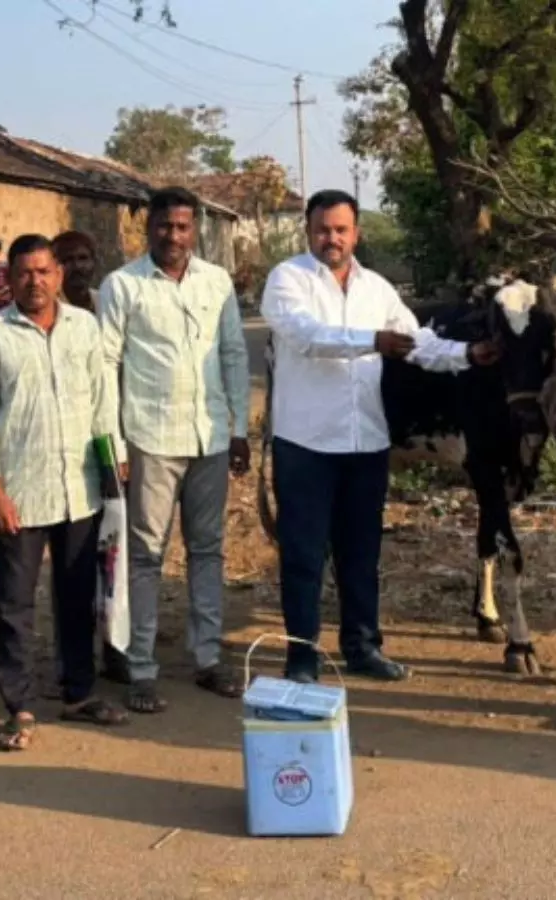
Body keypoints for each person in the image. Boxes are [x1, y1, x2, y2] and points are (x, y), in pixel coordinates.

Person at [260, 190, 499, 684]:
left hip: (365, 442)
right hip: (305, 443)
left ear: (357, 233)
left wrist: (467, 355)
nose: (331, 238)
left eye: (341, 230)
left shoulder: (377, 289)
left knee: (362, 554)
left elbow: (417, 343)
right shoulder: (288, 279)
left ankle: (362, 646)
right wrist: (372, 341)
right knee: (304, 555)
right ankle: (302, 656)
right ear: (308, 231)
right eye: (323, 229)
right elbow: (306, 336)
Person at [0, 234, 129, 750]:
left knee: (77, 595)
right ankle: (18, 704)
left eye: (43, 271)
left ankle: (78, 691)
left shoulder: (85, 327)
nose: (34, 281)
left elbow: (103, 399)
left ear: (58, 275)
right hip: (21, 491)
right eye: (24, 273)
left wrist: (115, 460)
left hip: (79, 487)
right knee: (15, 602)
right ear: (9, 279)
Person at [97, 187, 251, 714]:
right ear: (149, 228)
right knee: (145, 555)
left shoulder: (217, 282)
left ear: (196, 229)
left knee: (207, 549)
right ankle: (141, 667)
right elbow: (106, 365)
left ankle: (208, 657)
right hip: (150, 439)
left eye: (183, 227)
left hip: (209, 436)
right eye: (165, 226)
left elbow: (234, 354)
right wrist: (115, 443)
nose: (174, 236)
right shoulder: (123, 286)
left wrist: (238, 428)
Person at [53, 230, 100, 313]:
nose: (77, 266)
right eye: (68, 259)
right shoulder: (51, 307)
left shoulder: (103, 301)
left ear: (94, 262)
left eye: (83, 258)